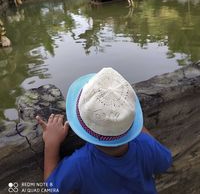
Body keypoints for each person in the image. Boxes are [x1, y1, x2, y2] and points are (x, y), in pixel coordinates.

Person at [37, 67, 172, 194]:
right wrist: (133, 124)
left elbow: (51, 188)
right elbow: (165, 162)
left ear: (84, 129)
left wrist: (51, 144)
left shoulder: (80, 164)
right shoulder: (145, 145)